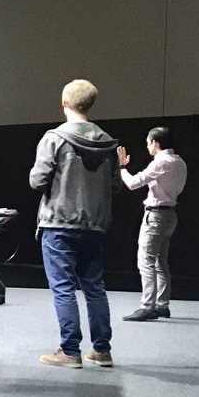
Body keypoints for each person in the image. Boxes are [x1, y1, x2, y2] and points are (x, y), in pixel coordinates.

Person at [29, 78, 121, 368]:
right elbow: (115, 186)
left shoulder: (54, 138)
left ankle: (70, 351)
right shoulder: (107, 143)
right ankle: (102, 351)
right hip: (94, 226)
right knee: (95, 288)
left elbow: (37, 181)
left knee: (63, 289)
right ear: (90, 104)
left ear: (64, 103)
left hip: (59, 224)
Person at [116, 127, 187, 322]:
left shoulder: (161, 162)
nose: (147, 147)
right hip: (170, 214)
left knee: (146, 260)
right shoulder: (180, 162)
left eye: (148, 143)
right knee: (160, 262)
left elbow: (133, 183)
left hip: (156, 216)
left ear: (155, 142)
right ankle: (162, 305)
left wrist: (122, 167)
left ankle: (148, 306)